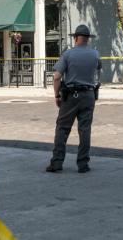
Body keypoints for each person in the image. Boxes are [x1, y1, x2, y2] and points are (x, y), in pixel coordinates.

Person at [46, 24, 101, 174]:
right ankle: (83, 164)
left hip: (71, 96)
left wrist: (57, 95)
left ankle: (57, 162)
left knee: (63, 128)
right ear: (88, 39)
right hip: (89, 95)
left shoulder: (68, 54)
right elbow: (98, 71)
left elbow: (56, 76)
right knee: (85, 129)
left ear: (76, 38)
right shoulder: (95, 54)